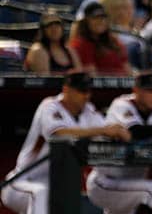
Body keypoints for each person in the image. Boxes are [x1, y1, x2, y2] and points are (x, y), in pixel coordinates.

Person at [0, 72, 131, 214]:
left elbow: (107, 132)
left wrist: (118, 131)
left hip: (56, 184)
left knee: (62, 197)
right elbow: (58, 133)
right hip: (22, 181)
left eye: (88, 91)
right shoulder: (50, 106)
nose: (86, 95)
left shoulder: (88, 111)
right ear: (66, 90)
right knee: (41, 193)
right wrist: (101, 130)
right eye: (81, 91)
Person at [86, 70, 152, 214]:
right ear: (136, 90)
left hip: (132, 183)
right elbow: (136, 133)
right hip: (105, 182)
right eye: (151, 91)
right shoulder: (121, 104)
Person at [69, 2, 131, 75]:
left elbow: (126, 67)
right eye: (95, 18)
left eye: (103, 18)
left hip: (123, 83)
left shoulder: (113, 41)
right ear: (86, 21)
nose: (101, 21)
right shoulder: (80, 44)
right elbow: (91, 73)